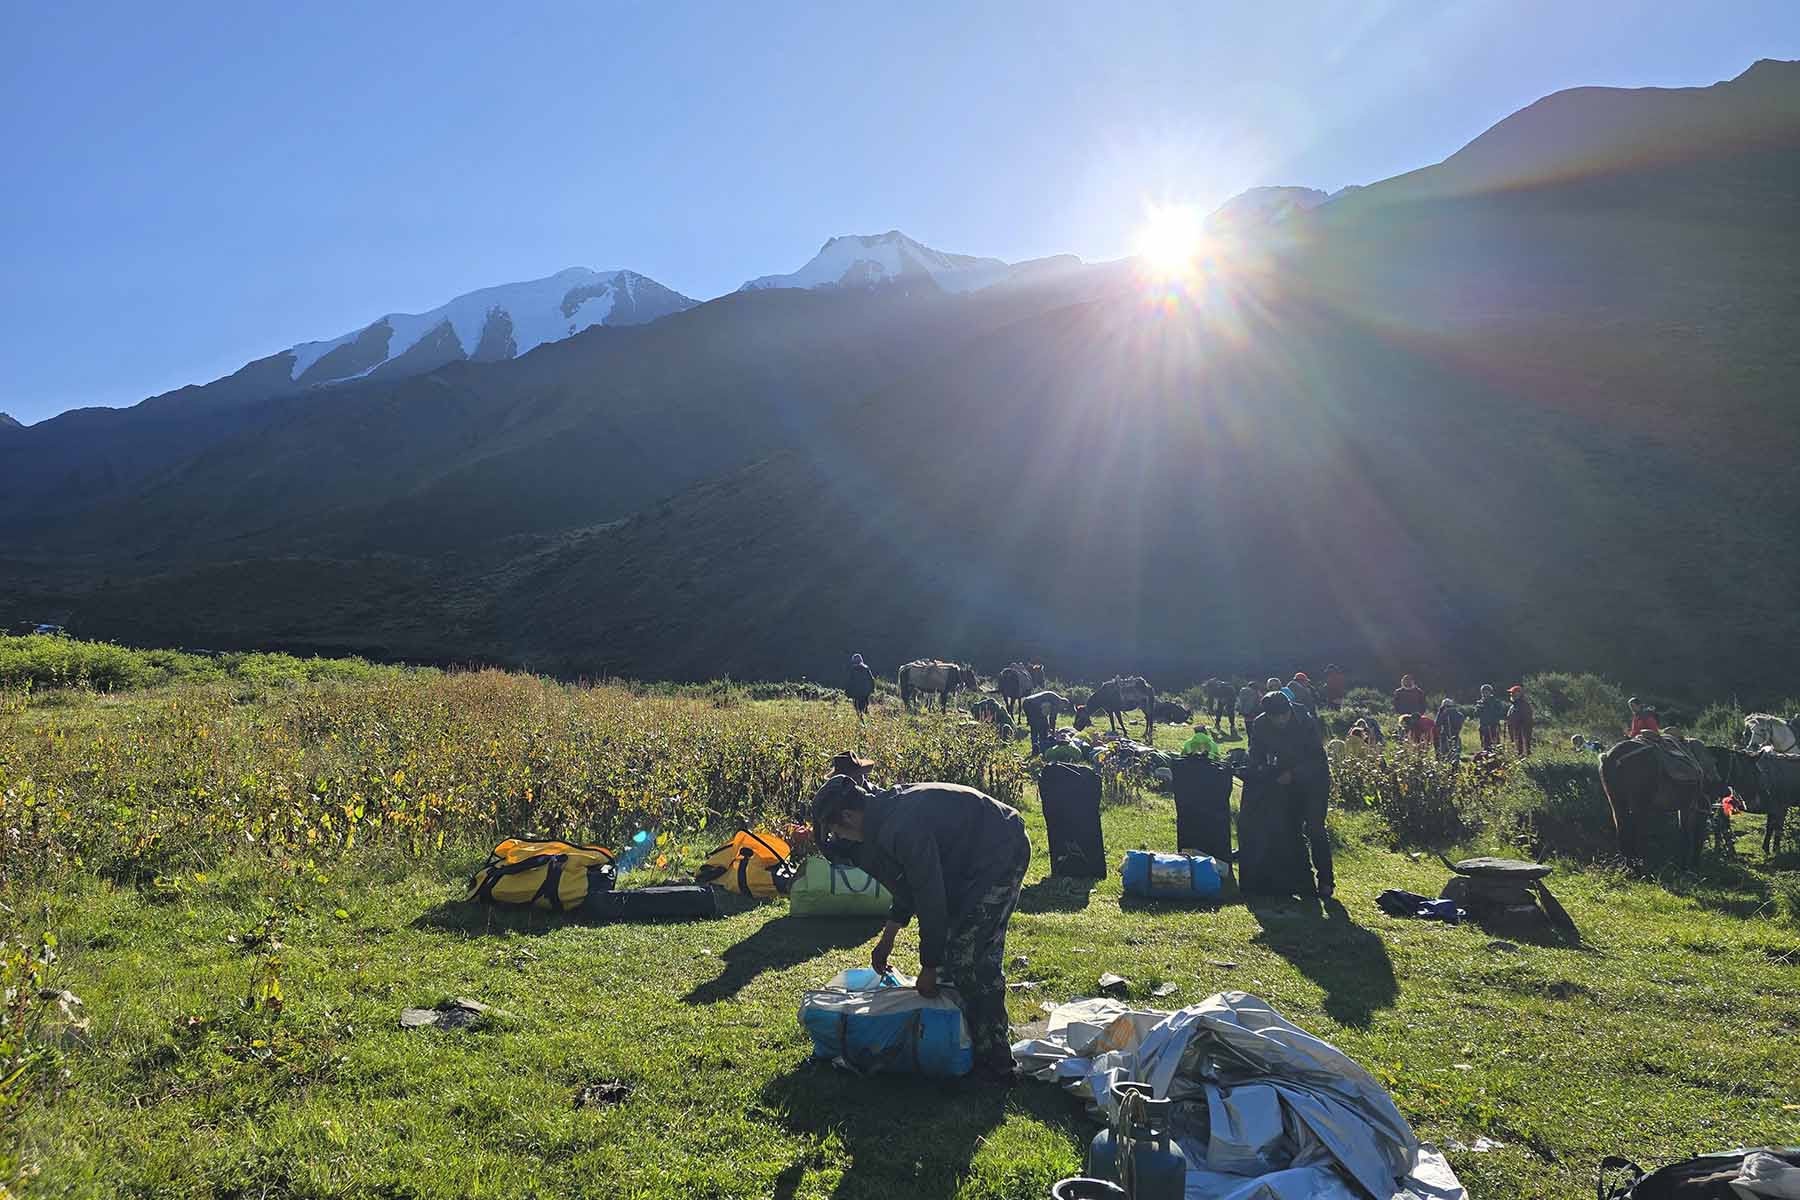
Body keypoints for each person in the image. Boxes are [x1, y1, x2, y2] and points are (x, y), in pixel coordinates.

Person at [811, 774, 1030, 1085]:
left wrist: (928, 965)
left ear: (848, 816)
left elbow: (930, 898)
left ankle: (997, 1065)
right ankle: (971, 1039)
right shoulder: (879, 818)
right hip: (966, 861)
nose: (840, 837)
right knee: (956, 960)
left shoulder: (901, 826)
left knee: (969, 959)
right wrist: (887, 939)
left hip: (999, 851)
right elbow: (908, 886)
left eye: (836, 829)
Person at [1241, 692, 1334, 898]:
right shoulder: (1261, 724)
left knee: (1315, 828)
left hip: (1314, 781)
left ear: (1289, 710)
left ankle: (1326, 880)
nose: (1281, 720)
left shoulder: (1305, 721)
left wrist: (1294, 774)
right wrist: (1259, 769)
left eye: (1283, 715)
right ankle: (1302, 880)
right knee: (1290, 829)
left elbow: (1317, 759)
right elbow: (1255, 752)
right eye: (1275, 717)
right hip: (1284, 782)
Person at [1020, 689, 1067, 757]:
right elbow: (1052, 719)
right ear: (1063, 702)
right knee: (1043, 726)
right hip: (1034, 706)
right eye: (1063, 707)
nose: (1062, 709)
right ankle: (1043, 748)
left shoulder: (1053, 696)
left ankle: (1035, 746)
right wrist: (1053, 733)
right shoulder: (1057, 702)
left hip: (1026, 703)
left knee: (1034, 726)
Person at [1475, 684, 1505, 751]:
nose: (1484, 694)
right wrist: (1479, 708)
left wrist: (1490, 707)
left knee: (1495, 745)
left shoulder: (1496, 702)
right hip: (1483, 727)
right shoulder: (1480, 703)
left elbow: (1500, 713)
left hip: (1494, 726)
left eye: (1486, 692)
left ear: (1490, 692)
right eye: (1483, 692)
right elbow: (1476, 714)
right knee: (1485, 746)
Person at [1434, 697, 1465, 762]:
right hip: (1456, 736)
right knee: (1455, 756)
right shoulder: (1459, 714)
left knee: (1444, 756)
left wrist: (1440, 712)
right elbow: (1460, 724)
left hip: (1445, 737)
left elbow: (1437, 723)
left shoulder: (1443, 714)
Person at [1507, 685, 1535, 757]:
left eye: (1514, 693)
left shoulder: (1524, 705)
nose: (1512, 694)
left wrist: (1522, 731)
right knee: (1516, 750)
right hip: (1514, 731)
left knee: (1523, 750)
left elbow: (1527, 721)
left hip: (1522, 732)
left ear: (1519, 694)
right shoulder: (1513, 706)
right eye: (1511, 693)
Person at [846, 653, 876, 719]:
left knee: (858, 709)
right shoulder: (866, 668)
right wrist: (872, 689)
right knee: (865, 707)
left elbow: (850, 682)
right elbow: (871, 679)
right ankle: (868, 721)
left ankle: (862, 721)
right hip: (865, 692)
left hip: (856, 694)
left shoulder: (853, 669)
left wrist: (848, 692)